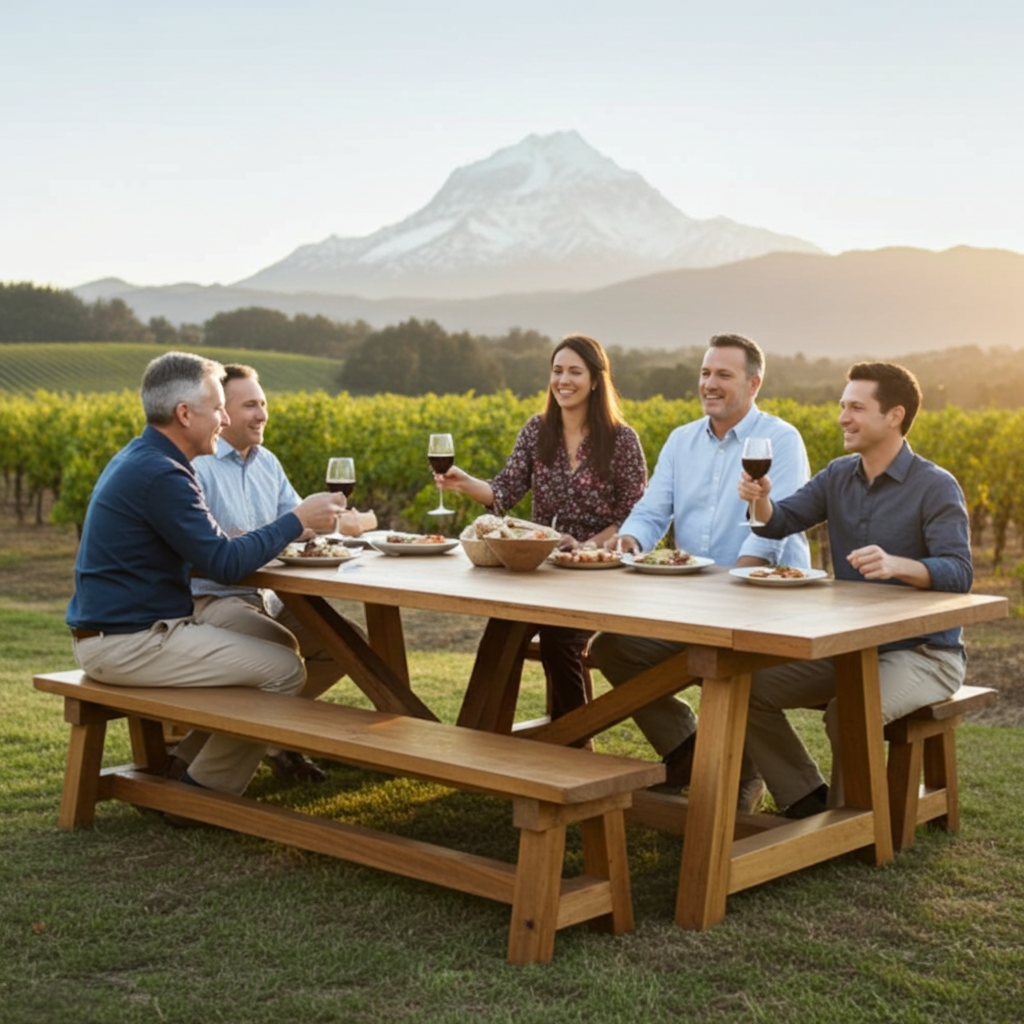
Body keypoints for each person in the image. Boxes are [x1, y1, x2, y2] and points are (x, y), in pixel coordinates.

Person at [66, 351, 346, 803]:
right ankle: (199, 795)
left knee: (279, 644)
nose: (223, 418)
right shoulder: (162, 474)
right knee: (284, 671)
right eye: (218, 408)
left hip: (132, 629)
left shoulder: (148, 460)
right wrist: (296, 520)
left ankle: (183, 765)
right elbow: (225, 564)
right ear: (184, 413)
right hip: (129, 642)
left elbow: (212, 554)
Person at [588, 333, 811, 813]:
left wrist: (734, 585)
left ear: (754, 383)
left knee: (728, 668)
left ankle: (781, 788)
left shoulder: (781, 439)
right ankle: (687, 750)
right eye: (706, 373)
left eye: (723, 375)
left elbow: (772, 530)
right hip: (693, 604)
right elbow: (651, 513)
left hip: (766, 607)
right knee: (613, 646)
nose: (709, 384)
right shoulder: (681, 440)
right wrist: (630, 542)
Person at [738, 361, 972, 819]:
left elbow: (960, 573)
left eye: (856, 407)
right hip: (851, 647)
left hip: (924, 653)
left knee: (848, 711)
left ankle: (853, 825)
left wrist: (898, 565)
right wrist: (760, 498)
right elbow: (780, 523)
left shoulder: (935, 486)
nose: (843, 417)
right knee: (746, 686)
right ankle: (807, 797)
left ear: (894, 415)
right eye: (843, 406)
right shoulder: (837, 476)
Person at [169, 363, 370, 784]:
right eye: (249, 405)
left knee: (350, 644)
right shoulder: (197, 466)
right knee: (277, 648)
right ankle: (200, 773)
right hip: (211, 598)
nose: (261, 414)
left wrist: (335, 523)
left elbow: (298, 527)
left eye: (262, 403)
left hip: (269, 597)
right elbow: (211, 551)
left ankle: (259, 740)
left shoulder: (267, 463)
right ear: (221, 411)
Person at [434, 334, 647, 719]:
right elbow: (504, 490)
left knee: (559, 640)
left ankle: (572, 744)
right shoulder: (537, 430)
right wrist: (465, 483)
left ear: (596, 380)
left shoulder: (621, 440)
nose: (563, 380)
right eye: (557, 370)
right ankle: (478, 737)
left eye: (574, 372)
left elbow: (633, 516)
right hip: (541, 566)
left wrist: (583, 545)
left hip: (596, 572)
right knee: (502, 630)